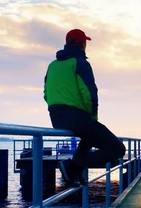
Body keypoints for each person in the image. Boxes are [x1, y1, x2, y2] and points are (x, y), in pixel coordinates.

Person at [44, 29, 126, 186]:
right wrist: (93, 115)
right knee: (117, 149)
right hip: (77, 118)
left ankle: (73, 171)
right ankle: (74, 165)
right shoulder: (80, 63)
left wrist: (56, 109)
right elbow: (89, 93)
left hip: (56, 117)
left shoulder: (52, 65)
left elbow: (46, 93)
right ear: (83, 44)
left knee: (88, 137)